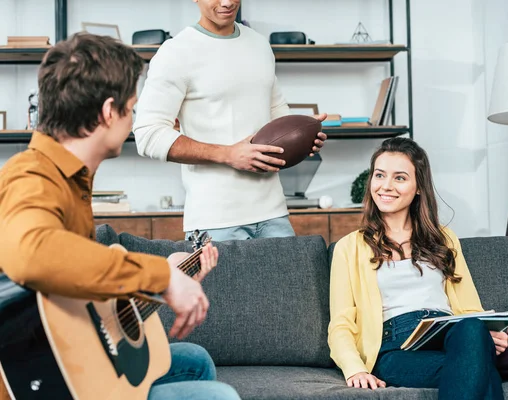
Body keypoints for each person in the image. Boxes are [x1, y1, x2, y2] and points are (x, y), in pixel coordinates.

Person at [0, 33, 239, 400]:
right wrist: (161, 276)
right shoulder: (31, 175)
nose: (133, 118)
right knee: (220, 396)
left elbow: (75, 279)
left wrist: (167, 273)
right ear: (109, 112)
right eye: (132, 108)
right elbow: (33, 253)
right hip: (35, 375)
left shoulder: (69, 177)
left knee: (195, 360)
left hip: (71, 351)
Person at [327, 137, 508, 399]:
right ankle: (476, 356)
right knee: (482, 371)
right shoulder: (350, 247)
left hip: (449, 335)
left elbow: (470, 308)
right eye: (379, 175)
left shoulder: (444, 239)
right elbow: (341, 323)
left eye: (399, 178)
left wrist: (488, 333)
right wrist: (354, 369)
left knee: (472, 330)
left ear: (419, 187)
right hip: (394, 348)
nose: (386, 186)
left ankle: (476, 352)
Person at [133, 0, 327, 242]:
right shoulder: (176, 52)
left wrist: (304, 135)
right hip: (215, 221)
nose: (227, 2)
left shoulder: (259, 44)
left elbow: (277, 111)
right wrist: (228, 154)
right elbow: (148, 135)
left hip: (274, 214)